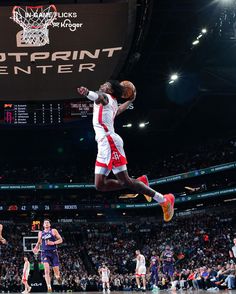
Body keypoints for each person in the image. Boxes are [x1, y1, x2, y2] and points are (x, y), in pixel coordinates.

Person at [77, 81, 175, 222]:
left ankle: (164, 200)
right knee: (99, 185)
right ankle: (140, 182)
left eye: (106, 85)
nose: (102, 85)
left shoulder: (105, 97)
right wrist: (130, 100)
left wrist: (87, 93)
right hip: (103, 145)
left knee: (126, 182)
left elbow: (99, 97)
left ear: (110, 90)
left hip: (110, 143)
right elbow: (119, 110)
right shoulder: (113, 103)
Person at [32, 219, 63, 292]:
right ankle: (49, 286)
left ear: (50, 224)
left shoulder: (53, 231)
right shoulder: (40, 233)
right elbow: (39, 242)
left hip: (53, 252)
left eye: (47, 222)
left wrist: (53, 243)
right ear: (43, 225)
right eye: (45, 223)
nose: (46, 223)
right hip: (44, 252)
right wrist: (36, 247)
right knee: (46, 270)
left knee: (56, 272)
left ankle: (58, 277)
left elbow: (61, 240)